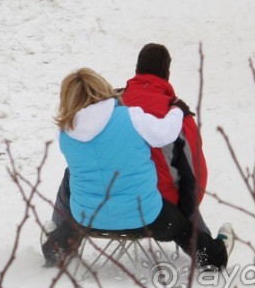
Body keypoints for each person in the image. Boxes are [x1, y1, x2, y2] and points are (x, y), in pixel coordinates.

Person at [41, 68, 232, 270]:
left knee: (74, 176)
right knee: (181, 228)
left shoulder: (65, 133)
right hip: (146, 217)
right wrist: (177, 110)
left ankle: (55, 248)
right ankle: (214, 255)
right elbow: (166, 133)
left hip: (88, 218)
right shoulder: (131, 117)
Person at [122, 44, 212, 235]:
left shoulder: (110, 106)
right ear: (167, 74)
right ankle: (207, 248)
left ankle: (58, 238)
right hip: (160, 212)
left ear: (137, 69)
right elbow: (196, 173)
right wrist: (187, 212)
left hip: (102, 204)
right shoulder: (177, 114)